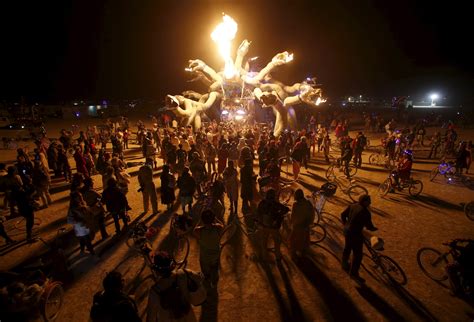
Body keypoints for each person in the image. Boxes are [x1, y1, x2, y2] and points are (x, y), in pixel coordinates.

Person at [146, 252, 197, 322]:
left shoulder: (155, 291)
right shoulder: (182, 274)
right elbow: (199, 278)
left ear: (157, 271)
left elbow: (151, 315)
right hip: (188, 317)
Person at [340, 194, 377, 283]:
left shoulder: (352, 205)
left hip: (347, 231)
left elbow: (342, 214)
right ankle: (353, 274)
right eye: (368, 201)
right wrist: (373, 228)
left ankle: (344, 263)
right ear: (364, 202)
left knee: (347, 247)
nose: (370, 203)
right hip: (355, 234)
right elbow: (369, 226)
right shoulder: (365, 212)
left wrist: (345, 224)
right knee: (358, 255)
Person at [257, 189, 290, 261]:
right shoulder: (276, 204)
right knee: (277, 242)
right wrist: (279, 214)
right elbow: (286, 209)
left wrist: (260, 222)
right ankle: (278, 256)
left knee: (264, 242)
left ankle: (264, 256)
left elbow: (258, 213)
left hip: (264, 226)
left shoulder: (262, 203)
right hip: (274, 228)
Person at [194, 209, 224, 288]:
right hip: (216, 256)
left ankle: (207, 281)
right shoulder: (218, 228)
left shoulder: (199, 231)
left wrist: (200, 220)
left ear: (202, 219)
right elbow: (222, 225)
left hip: (204, 257)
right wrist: (215, 219)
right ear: (213, 219)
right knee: (214, 270)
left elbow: (195, 229)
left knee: (205, 272)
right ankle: (213, 283)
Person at [289, 189, 315, 257]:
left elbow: (293, 215)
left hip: (297, 225)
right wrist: (310, 222)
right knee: (305, 239)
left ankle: (294, 252)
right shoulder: (308, 202)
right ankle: (303, 251)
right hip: (306, 224)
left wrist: (291, 222)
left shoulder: (296, 204)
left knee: (294, 239)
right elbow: (312, 213)